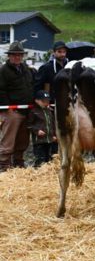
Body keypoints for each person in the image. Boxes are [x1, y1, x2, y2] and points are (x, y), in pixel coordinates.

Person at [0, 42, 35, 171]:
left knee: (23, 140)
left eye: (19, 55)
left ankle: (18, 163)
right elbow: (1, 90)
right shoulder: (3, 70)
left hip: (26, 110)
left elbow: (31, 85)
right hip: (11, 111)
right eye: (14, 55)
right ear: (9, 56)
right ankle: (4, 165)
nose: (17, 57)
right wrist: (7, 109)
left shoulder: (26, 69)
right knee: (8, 140)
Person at [29, 90, 58, 167]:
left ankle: (49, 172)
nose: (46, 103)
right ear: (36, 101)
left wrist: (55, 135)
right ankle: (39, 170)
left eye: (47, 101)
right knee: (40, 160)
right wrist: (37, 131)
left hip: (50, 139)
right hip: (39, 141)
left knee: (51, 158)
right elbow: (29, 124)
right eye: (43, 101)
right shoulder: (33, 112)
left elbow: (53, 124)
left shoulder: (50, 111)